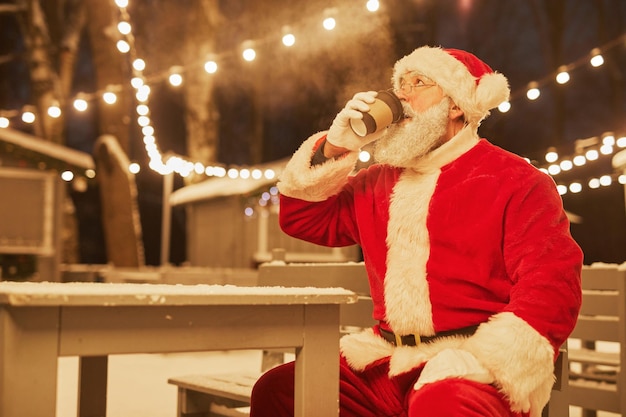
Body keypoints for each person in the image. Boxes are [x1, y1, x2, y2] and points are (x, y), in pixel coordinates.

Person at [250, 46, 583, 417]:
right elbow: (303, 219)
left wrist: (484, 361)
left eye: (418, 83)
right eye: (400, 84)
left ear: (456, 105)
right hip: (385, 361)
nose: (402, 96)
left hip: (471, 364)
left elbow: (552, 286)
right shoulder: (377, 182)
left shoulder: (517, 181)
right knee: (281, 391)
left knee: (443, 407)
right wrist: (335, 146)